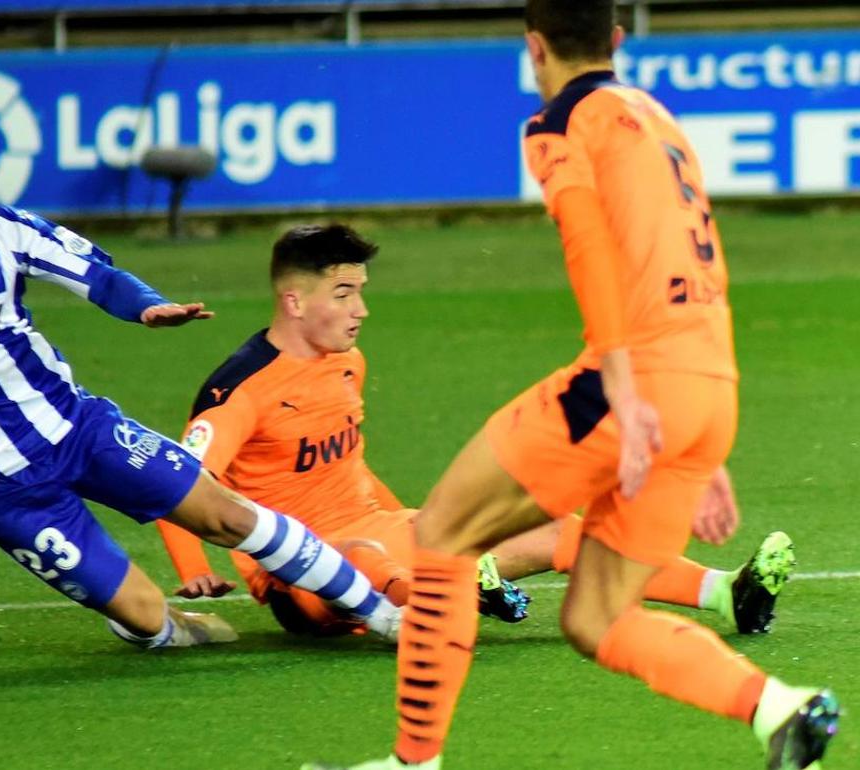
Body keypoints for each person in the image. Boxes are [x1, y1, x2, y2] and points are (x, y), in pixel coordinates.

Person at [302, 3, 840, 769]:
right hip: (708, 383)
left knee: (443, 531)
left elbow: (588, 246)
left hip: (633, 381)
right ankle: (777, 709)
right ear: (616, 41)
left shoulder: (558, 123)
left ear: (534, 46)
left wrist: (624, 381)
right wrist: (699, 435)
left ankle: (414, 763)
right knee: (596, 617)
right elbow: (696, 266)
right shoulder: (657, 117)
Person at [0, 104, 403, 652]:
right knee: (145, 616)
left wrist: (147, 305)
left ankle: (387, 619)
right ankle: (162, 624)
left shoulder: (0, 232)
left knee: (229, 516)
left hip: (80, 429)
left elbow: (97, 276)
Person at [158, 224, 796, 639]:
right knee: (362, 556)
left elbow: (346, 465)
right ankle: (445, 598)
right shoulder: (240, 387)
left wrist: (406, 517)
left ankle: (726, 596)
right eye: (346, 293)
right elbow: (173, 481)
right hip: (302, 575)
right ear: (295, 302)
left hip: (382, 534)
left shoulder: (347, 362)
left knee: (559, 528)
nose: (362, 310)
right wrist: (194, 569)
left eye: (362, 291)